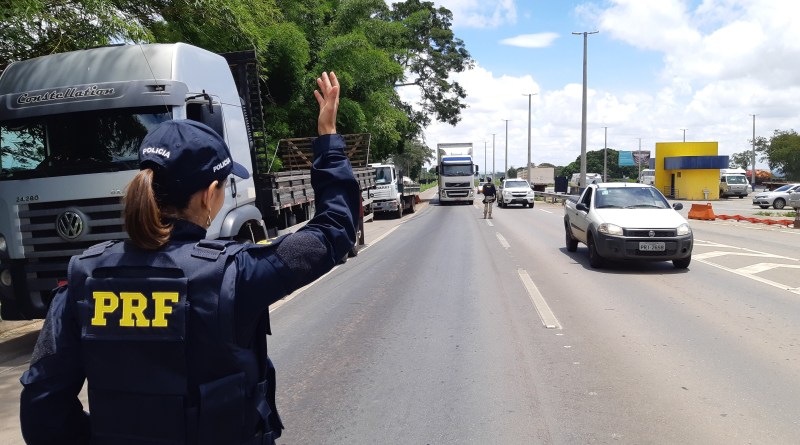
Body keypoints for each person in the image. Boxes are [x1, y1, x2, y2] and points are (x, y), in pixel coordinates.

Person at [19, 72, 358, 445]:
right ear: (209, 194)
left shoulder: (84, 276)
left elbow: (42, 402)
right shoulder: (236, 273)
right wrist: (328, 138)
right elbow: (334, 231)